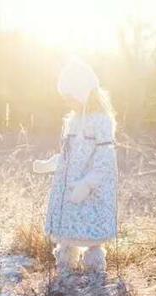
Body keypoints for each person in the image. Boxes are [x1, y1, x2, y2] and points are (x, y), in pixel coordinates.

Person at [33, 57, 118, 276]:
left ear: (84, 92)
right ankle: (65, 276)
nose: (68, 103)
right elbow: (68, 153)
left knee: (91, 237)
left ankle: (94, 278)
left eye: (71, 97)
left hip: (91, 191)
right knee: (68, 237)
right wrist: (51, 164)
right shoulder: (72, 120)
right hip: (68, 188)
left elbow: (105, 160)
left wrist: (88, 184)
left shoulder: (101, 122)